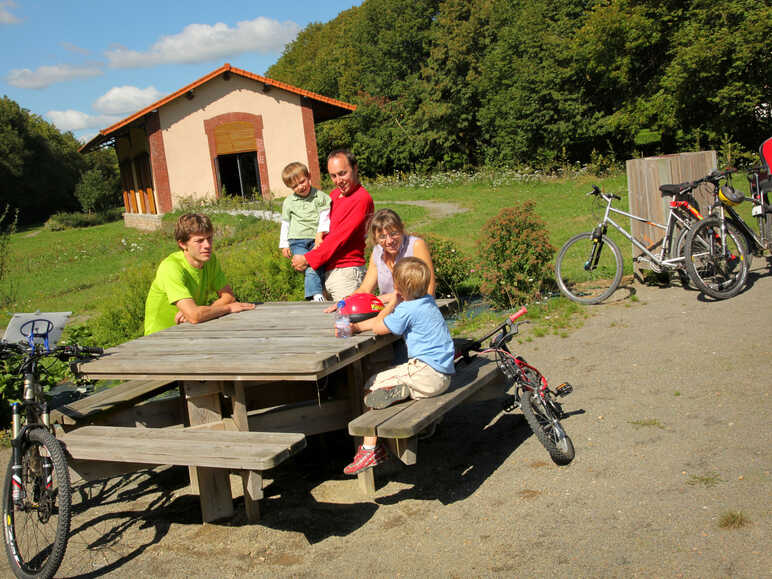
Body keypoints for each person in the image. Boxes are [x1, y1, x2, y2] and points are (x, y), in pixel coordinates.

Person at [342, 257, 455, 475]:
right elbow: (380, 325)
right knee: (389, 385)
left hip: (424, 371)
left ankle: (369, 448)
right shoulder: (428, 302)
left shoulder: (407, 309)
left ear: (398, 287)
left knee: (370, 385)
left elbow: (379, 326)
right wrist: (357, 327)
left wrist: (392, 303)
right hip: (442, 378)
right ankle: (401, 392)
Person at [143, 213, 255, 335]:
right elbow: (196, 316)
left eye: (209, 238)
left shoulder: (210, 260)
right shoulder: (171, 267)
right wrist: (227, 308)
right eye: (199, 241)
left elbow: (229, 297)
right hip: (159, 338)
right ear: (182, 244)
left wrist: (202, 312)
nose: (207, 245)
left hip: (191, 331)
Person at [291, 150, 374, 301]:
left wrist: (308, 258)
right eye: (333, 176)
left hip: (346, 273)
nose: (338, 180)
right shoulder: (334, 195)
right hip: (325, 271)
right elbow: (321, 227)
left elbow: (338, 238)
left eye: (343, 173)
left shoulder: (361, 198)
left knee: (347, 322)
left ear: (355, 169)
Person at [278, 162, 331, 302]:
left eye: (302, 182)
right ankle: (317, 293)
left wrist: (320, 234)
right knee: (304, 263)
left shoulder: (320, 197)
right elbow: (286, 223)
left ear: (309, 177)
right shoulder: (289, 202)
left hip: (315, 238)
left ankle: (315, 295)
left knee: (314, 264)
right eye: (294, 186)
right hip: (297, 240)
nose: (300, 187)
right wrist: (284, 244)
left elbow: (325, 217)